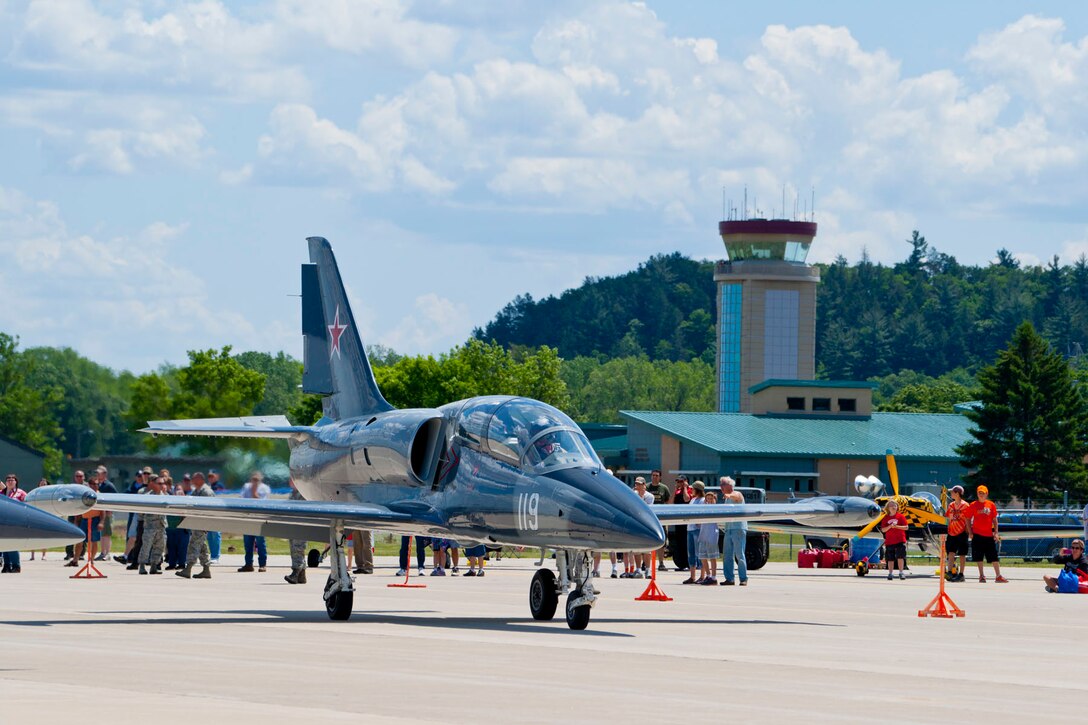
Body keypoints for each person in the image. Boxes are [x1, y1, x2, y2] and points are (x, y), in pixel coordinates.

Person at [177, 472, 213, 579]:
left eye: (194, 478)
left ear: (200, 479)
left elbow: (209, 508)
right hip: (197, 522)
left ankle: (188, 569)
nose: (192, 480)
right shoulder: (197, 491)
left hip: (202, 523)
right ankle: (206, 570)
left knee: (194, 544)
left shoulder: (206, 492)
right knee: (202, 546)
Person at [967, 485, 1007, 583]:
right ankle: (981, 576)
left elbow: (995, 520)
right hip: (977, 535)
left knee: (994, 556)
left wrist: (996, 533)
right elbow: (967, 519)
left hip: (989, 535)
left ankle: (998, 576)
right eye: (979, 493)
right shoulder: (973, 505)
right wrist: (970, 532)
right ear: (977, 493)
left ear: (986, 494)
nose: (981, 494)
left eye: (983, 493)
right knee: (979, 557)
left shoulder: (991, 505)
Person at [239, 471, 270, 572]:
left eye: (257, 480)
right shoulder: (246, 486)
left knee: (260, 542)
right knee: (247, 542)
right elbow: (242, 500)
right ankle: (248, 564)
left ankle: (262, 564)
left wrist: (254, 492)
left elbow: (262, 503)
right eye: (253, 479)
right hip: (248, 518)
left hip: (259, 519)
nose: (255, 481)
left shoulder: (264, 488)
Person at [719, 476, 748, 586]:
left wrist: (729, 495)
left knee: (739, 554)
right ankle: (729, 578)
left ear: (730, 486)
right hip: (729, 529)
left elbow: (737, 497)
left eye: (723, 484)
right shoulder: (726, 499)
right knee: (727, 555)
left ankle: (743, 578)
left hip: (738, 528)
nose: (721, 486)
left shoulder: (737, 494)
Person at [138, 476, 167, 575]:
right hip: (150, 526)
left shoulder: (165, 496)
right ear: (153, 484)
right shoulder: (148, 496)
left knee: (160, 546)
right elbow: (141, 512)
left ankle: (154, 566)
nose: (162, 485)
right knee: (146, 546)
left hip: (161, 525)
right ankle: (142, 566)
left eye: (163, 483)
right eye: (159, 483)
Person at [2, 473, 27, 573]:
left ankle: (16, 565)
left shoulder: (20, 493)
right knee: (4, 543)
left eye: (13, 479)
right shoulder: (1, 493)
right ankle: (7, 565)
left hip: (15, 521)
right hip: (3, 521)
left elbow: (27, 505)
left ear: (16, 482)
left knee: (12, 543)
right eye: (8, 479)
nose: (10, 481)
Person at [681, 479, 705, 584]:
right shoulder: (693, 500)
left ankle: (702, 576)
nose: (691, 490)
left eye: (692, 489)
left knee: (700, 553)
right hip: (690, 529)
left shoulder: (703, 500)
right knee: (691, 553)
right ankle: (692, 576)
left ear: (697, 490)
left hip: (697, 529)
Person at [944, 485, 970, 582]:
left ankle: (961, 574)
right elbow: (948, 518)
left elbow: (968, 518)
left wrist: (969, 531)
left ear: (957, 493)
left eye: (952, 492)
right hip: (951, 532)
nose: (951, 494)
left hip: (962, 532)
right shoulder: (951, 505)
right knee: (951, 552)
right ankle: (950, 572)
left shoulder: (966, 505)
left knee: (962, 554)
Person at [284, 480, 308, 584]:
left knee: (298, 548)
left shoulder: (303, 493)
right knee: (294, 547)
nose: (290, 482)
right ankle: (302, 575)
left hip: (300, 525)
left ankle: (296, 572)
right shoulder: (293, 493)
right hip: (293, 525)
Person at [880, 500, 909, 580]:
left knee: (900, 557)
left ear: (897, 507)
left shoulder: (901, 517)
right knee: (890, 558)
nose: (893, 507)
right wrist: (890, 526)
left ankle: (901, 572)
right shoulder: (885, 518)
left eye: (894, 505)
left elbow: (906, 527)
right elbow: (883, 530)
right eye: (891, 506)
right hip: (889, 541)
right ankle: (890, 573)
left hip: (900, 540)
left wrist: (897, 527)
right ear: (888, 508)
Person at [93, 466, 117, 560]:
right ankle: (102, 552)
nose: (97, 475)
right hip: (99, 513)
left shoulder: (109, 485)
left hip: (107, 513)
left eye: (99, 473)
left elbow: (115, 498)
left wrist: (110, 509)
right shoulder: (97, 485)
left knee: (106, 534)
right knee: (102, 534)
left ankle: (107, 553)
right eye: (96, 473)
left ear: (105, 474)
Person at [648, 469, 671, 570]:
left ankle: (661, 563)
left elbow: (667, 502)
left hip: (661, 518)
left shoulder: (664, 488)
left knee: (661, 541)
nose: (655, 477)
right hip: (649, 517)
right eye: (653, 475)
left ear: (660, 477)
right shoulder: (647, 487)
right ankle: (646, 563)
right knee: (648, 540)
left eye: (657, 475)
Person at [697, 492, 719, 584]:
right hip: (703, 534)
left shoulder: (716, 509)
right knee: (702, 557)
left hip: (712, 534)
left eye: (711, 498)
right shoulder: (703, 508)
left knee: (712, 557)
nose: (709, 500)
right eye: (708, 498)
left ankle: (714, 577)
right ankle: (708, 575)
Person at [30, 477, 51, 561]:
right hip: (35, 516)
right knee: (33, 537)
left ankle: (44, 555)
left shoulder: (49, 495)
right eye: (41, 483)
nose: (43, 485)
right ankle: (32, 555)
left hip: (45, 516)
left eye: (45, 484)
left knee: (44, 537)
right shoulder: (34, 493)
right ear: (38, 485)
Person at [206, 470, 224, 562]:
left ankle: (216, 556)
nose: (210, 478)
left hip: (217, 512)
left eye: (212, 476)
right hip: (209, 512)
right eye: (209, 476)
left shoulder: (219, 486)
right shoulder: (207, 487)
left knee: (215, 534)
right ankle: (213, 555)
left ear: (216, 476)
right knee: (209, 535)